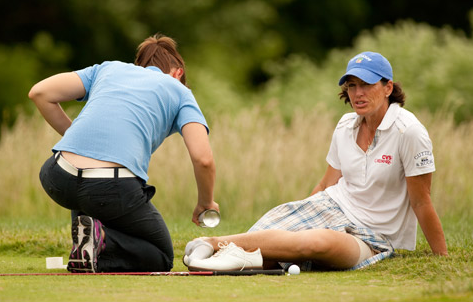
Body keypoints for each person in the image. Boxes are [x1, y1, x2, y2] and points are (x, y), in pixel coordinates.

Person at [183, 51, 448, 272]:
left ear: (388, 87)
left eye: (367, 85)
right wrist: (303, 210)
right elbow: (326, 183)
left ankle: (212, 243)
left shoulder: (409, 131)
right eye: (352, 85)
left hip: (373, 237)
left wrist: (442, 258)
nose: (358, 93)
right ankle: (228, 258)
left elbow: (421, 200)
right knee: (279, 228)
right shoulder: (346, 125)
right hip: (330, 205)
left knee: (315, 243)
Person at [29, 33, 218, 273]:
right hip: (109, 186)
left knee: (92, 198)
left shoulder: (109, 69)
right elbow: (203, 158)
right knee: (161, 255)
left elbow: (40, 93)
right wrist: (206, 202)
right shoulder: (179, 91)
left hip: (57, 175)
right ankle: (103, 241)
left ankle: (88, 249)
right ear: (178, 72)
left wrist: (75, 139)